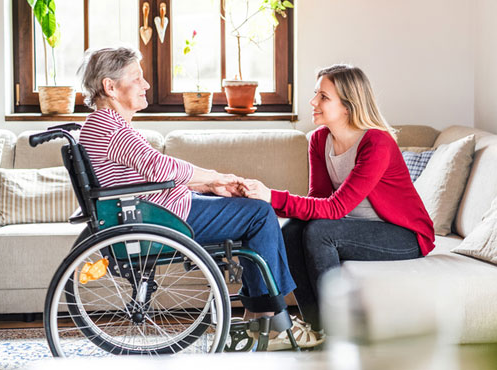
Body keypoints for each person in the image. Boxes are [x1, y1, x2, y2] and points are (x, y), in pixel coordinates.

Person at [76, 46, 322, 349]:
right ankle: (271, 323)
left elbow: (151, 178)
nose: (146, 85)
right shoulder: (109, 127)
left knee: (252, 211)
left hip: (156, 210)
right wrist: (215, 177)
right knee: (259, 213)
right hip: (159, 218)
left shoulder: (106, 126)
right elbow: (160, 168)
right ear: (110, 87)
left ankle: (259, 320)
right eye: (137, 78)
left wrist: (206, 186)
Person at [241, 64, 435, 332]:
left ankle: (336, 329)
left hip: (404, 235)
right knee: (292, 231)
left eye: (323, 97)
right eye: (316, 94)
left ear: (348, 106)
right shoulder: (319, 140)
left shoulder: (377, 143)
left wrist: (271, 197)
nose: (313, 102)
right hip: (356, 227)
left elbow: (335, 208)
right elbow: (318, 199)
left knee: (321, 233)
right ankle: (316, 326)